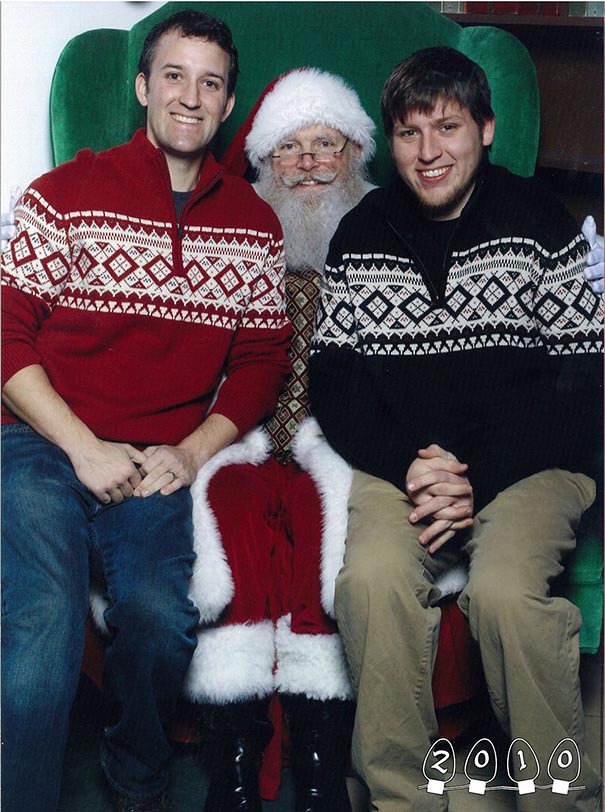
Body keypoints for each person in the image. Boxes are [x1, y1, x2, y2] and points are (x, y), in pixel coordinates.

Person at [1, 10, 291, 812]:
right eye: (173, 75)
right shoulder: (62, 194)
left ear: (228, 103)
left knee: (163, 623)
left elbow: (262, 359)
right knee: (42, 629)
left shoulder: (254, 225)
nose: (190, 98)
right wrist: (81, 446)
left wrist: (193, 452)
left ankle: (136, 785)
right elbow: (6, 336)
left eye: (210, 82)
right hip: (39, 439)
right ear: (141, 88)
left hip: (155, 455)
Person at [309, 47, 603, 812]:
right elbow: (334, 384)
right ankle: (400, 800)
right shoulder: (360, 230)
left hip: (531, 462)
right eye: (409, 133)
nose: (428, 151)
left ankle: (556, 798)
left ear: (487, 128)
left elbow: (582, 381)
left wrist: (477, 474)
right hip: (404, 467)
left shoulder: (542, 221)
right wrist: (410, 465)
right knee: (368, 582)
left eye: (447, 127)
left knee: (504, 594)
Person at [178, 67, 376, 812]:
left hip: (346, 445)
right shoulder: (232, 238)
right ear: (263, 165)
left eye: (325, 145)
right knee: (226, 511)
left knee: (320, 526)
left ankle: (320, 768)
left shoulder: (384, 234)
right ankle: (236, 767)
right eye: (287, 150)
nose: (307, 164)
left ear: (355, 154)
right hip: (244, 439)